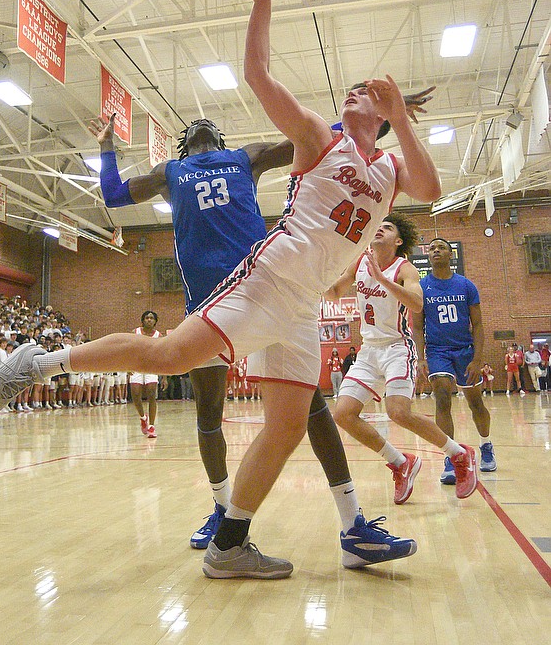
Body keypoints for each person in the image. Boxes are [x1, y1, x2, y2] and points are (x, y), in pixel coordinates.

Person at [0, 0, 442, 581]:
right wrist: (263, 4)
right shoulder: (317, 138)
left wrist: (402, 117)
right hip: (266, 278)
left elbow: (432, 191)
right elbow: (256, 76)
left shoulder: (386, 168)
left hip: (303, 305)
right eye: (351, 89)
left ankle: (234, 541)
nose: (356, 91)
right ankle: (36, 365)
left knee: (285, 427)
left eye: (366, 92)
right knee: (171, 356)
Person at [89, 84, 433, 558]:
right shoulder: (169, 172)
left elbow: (316, 138)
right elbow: (111, 192)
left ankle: (351, 519)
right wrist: (106, 146)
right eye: (194, 127)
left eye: (209, 124)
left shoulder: (244, 157)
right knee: (207, 414)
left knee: (308, 413)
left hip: (266, 290)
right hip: (209, 301)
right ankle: (222, 509)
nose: (203, 124)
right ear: (184, 144)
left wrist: (384, 115)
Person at [329, 217, 478, 503]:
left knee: (397, 411)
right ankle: (400, 462)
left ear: (398, 241)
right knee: (343, 414)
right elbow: (333, 291)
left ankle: (460, 455)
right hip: (369, 350)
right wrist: (313, 278)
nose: (381, 228)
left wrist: (384, 280)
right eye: (379, 225)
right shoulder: (359, 261)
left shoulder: (405, 268)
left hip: (398, 347)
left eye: (389, 227)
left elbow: (417, 303)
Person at [414, 237, 497, 482]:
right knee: (441, 396)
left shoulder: (466, 285)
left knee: (475, 403)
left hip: (464, 350)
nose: (436, 251)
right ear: (428, 256)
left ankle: (486, 445)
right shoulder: (421, 287)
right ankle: (451, 457)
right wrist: (420, 357)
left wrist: (477, 359)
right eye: (432, 248)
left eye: (441, 248)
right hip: (438, 350)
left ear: (451, 255)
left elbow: (479, 324)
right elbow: (417, 327)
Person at [129, 310, 161, 438]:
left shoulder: (158, 335)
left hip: (152, 367)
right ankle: (143, 418)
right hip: (136, 366)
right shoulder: (135, 333)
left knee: (151, 394)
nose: (149, 320)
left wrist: (163, 375)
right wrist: (127, 365)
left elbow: (162, 355)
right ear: (143, 320)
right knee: (136, 395)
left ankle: (152, 426)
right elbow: (127, 350)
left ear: (155, 321)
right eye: (147, 318)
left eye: (152, 318)